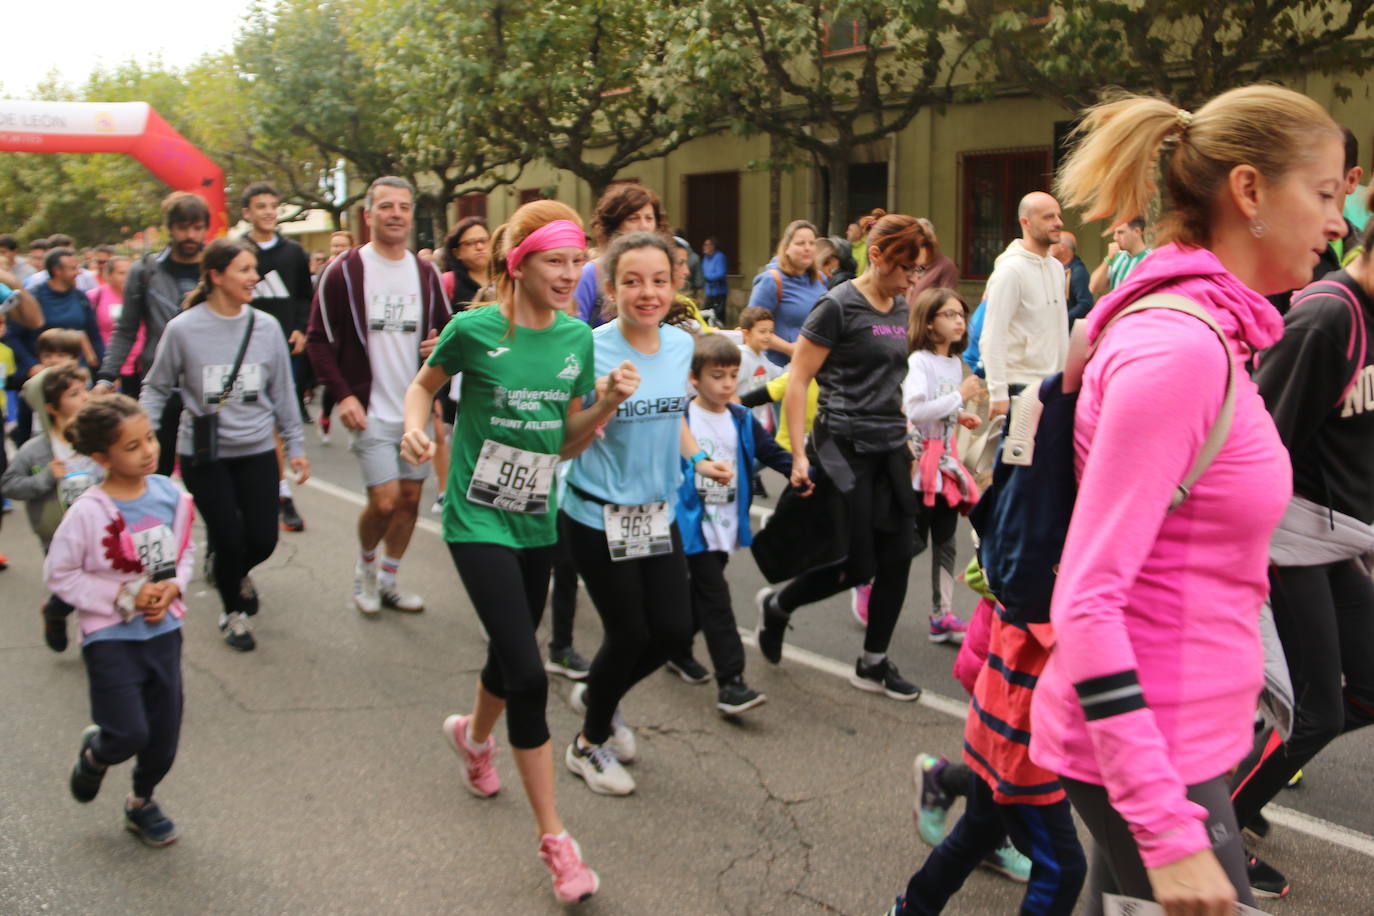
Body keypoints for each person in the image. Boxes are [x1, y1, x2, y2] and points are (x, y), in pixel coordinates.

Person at [1030, 86, 1346, 915]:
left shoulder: (1212, 331)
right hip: (1154, 747)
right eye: (1324, 192)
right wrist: (1170, 834)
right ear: (1248, 192)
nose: (1339, 221)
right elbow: (1089, 599)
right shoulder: (1178, 349)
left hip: (1185, 731)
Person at [398, 200, 609, 905]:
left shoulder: (578, 338)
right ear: (519, 262)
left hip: (537, 519)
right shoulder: (473, 327)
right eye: (557, 261)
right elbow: (424, 386)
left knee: (507, 648)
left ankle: (472, 737)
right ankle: (557, 841)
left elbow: (567, 439)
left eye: (578, 262)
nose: (570, 275)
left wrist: (603, 403)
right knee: (527, 670)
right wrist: (414, 428)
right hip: (476, 518)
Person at [1227, 209, 1374, 897]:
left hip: (1339, 537)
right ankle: (1220, 825)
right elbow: (1260, 437)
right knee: (1316, 708)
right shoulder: (1325, 317)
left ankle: (1234, 796)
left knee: (1365, 690)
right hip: (1288, 534)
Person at [559, 231, 732, 796]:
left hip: (654, 513)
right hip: (595, 512)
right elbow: (567, 441)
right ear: (610, 287)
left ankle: (598, 694)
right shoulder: (589, 348)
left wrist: (700, 458)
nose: (647, 292)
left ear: (676, 283)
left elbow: (671, 417)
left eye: (659, 280)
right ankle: (587, 744)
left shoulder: (682, 346)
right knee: (629, 632)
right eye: (632, 281)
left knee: (674, 630)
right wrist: (606, 398)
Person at [755, 214, 926, 701]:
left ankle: (872, 663)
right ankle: (780, 604)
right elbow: (798, 380)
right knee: (858, 563)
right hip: (841, 446)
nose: (913, 278)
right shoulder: (838, 305)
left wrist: (907, 432)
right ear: (877, 255)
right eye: (907, 268)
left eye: (917, 270)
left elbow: (893, 376)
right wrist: (799, 455)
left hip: (889, 444)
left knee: (899, 555)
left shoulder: (900, 305)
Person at [141, 237, 309, 652]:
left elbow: (284, 392)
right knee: (229, 535)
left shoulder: (266, 327)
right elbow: (157, 387)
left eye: (255, 270)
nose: (255, 277)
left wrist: (297, 446)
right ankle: (233, 612)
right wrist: (142, 433)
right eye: (245, 270)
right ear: (216, 276)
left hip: (256, 450)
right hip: (205, 454)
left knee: (262, 540)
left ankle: (229, 568)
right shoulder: (183, 329)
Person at [46, 394, 195, 847]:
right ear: (100, 457)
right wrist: (122, 594)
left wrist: (173, 587)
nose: (148, 450)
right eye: (132, 446)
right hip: (109, 635)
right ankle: (98, 754)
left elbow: (183, 553)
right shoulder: (88, 513)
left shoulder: (172, 496)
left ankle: (141, 802)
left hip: (163, 631)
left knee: (163, 736)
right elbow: (60, 574)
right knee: (128, 732)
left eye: (149, 438)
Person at [306, 176, 448, 616]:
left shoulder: (425, 273)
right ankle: (365, 566)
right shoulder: (345, 270)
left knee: (409, 500)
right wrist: (344, 395)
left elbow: (446, 338)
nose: (396, 214)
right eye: (386, 206)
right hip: (368, 410)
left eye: (404, 207)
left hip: (414, 412)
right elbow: (317, 341)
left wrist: (437, 347)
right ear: (368, 215)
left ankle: (390, 578)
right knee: (383, 500)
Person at [668, 334, 792, 713]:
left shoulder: (739, 417)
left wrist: (804, 471)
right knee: (716, 597)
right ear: (694, 378)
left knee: (701, 594)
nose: (725, 384)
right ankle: (731, 682)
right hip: (691, 524)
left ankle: (674, 649)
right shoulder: (683, 418)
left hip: (725, 521)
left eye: (732, 375)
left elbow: (770, 452)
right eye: (716, 376)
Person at [96, 192, 211, 476]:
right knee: (154, 471)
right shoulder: (146, 271)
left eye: (197, 227)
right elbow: (126, 329)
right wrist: (107, 376)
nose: (190, 234)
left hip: (209, 384)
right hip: (159, 382)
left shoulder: (217, 268)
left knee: (207, 471)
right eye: (183, 227)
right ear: (170, 228)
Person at [900, 287, 982, 643]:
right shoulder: (919, 361)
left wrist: (959, 414)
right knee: (913, 542)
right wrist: (959, 398)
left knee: (946, 541)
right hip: (921, 467)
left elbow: (939, 406)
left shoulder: (953, 363)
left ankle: (941, 615)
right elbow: (915, 410)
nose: (959, 320)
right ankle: (868, 581)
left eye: (961, 314)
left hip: (946, 465)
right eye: (949, 314)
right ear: (929, 324)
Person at [2, 362, 98, 652]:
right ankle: (56, 610)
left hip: (99, 529)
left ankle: (94, 639)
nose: (85, 398)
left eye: (85, 391)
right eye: (74, 394)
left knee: (96, 582)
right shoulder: (36, 449)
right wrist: (46, 478)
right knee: (71, 584)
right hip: (57, 532)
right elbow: (9, 484)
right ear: (52, 407)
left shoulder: (98, 436)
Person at [240, 182, 315, 534]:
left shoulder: (294, 252)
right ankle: (269, 490)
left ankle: (281, 492)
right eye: (260, 206)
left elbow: (304, 296)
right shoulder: (238, 251)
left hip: (284, 345)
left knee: (279, 420)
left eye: (273, 205)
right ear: (247, 213)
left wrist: (301, 329)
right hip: (243, 349)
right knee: (258, 420)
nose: (268, 211)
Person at [979, 193, 1069, 422]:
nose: (1058, 222)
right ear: (1025, 223)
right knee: (1018, 458)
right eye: (1048, 217)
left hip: (1053, 384)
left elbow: (1059, 328)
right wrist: (998, 392)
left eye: (1058, 215)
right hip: (1019, 386)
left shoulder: (1057, 268)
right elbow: (992, 334)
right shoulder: (1011, 271)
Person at [574, 182, 667, 327]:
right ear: (615, 224)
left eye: (649, 218)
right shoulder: (591, 273)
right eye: (633, 219)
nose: (644, 226)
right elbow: (574, 332)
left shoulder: (663, 270)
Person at [745, 219, 829, 366]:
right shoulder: (771, 281)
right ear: (786, 248)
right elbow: (752, 328)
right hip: (778, 369)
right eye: (800, 243)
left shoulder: (821, 279)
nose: (807, 248)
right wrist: (790, 349)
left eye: (811, 243)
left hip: (816, 366)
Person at [315, 231, 357, 442]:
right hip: (333, 335)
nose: (338, 249)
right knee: (333, 386)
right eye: (335, 246)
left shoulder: (358, 270)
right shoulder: (326, 271)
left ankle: (356, 427)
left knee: (354, 380)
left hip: (352, 335)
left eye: (342, 245)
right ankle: (325, 417)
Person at [1089, 217, 1152, 296]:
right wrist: (1108, 258)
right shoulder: (1116, 257)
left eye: (1120, 232)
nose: (1115, 238)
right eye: (1114, 233)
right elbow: (1093, 287)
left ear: (1137, 232)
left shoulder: (1151, 259)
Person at [440, 217, 492, 309]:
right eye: (470, 243)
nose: (479, 247)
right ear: (456, 253)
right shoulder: (447, 282)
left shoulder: (504, 279)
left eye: (483, 241)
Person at [906, 218, 960, 301]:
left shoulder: (946, 266)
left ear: (934, 240)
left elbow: (946, 302)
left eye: (925, 240)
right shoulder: (917, 266)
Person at [1050, 231, 1094, 322]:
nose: (1049, 246)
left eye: (1053, 243)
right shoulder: (1055, 268)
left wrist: (1062, 320)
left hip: (1068, 332)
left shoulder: (1078, 272)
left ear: (1063, 247)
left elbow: (1085, 304)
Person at [701, 236, 728, 321]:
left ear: (713, 246)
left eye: (707, 245)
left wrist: (706, 277)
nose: (704, 247)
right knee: (705, 316)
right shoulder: (705, 258)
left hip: (719, 293)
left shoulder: (719, 257)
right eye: (704, 245)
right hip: (709, 293)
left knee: (717, 317)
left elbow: (721, 274)